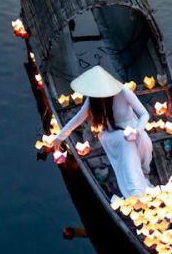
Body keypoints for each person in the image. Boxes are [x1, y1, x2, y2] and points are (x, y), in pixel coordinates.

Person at [54, 65, 153, 198]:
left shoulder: (123, 92)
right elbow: (78, 118)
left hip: (133, 128)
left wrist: (138, 131)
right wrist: (61, 136)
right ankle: (135, 190)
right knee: (126, 144)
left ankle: (145, 171)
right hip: (111, 134)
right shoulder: (93, 99)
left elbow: (144, 114)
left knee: (145, 141)